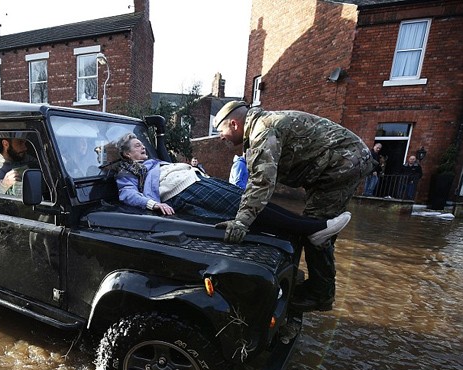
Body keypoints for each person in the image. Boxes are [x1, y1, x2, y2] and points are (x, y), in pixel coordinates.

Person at [213, 101, 373, 313]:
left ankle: (320, 295)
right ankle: (313, 285)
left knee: (317, 232)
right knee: (312, 226)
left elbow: (262, 182)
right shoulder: (260, 127)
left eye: (220, 131)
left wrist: (241, 222)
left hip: (343, 163)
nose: (220, 137)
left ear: (234, 124)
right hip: (336, 163)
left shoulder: (262, 130)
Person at [116, 133, 351, 246]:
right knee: (243, 208)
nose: (142, 147)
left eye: (142, 144)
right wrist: (153, 204)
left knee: (252, 201)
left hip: (198, 181)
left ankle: (308, 229)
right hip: (185, 191)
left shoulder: (153, 162)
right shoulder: (129, 169)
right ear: (127, 154)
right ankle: (314, 229)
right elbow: (126, 194)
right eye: (137, 146)